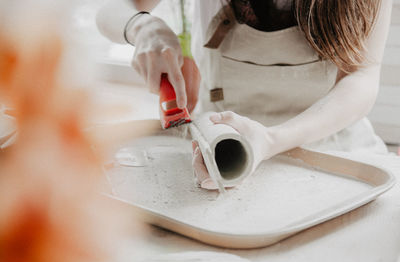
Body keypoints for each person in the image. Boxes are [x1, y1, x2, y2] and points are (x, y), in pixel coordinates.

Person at [96, 0, 392, 189]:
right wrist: (143, 25)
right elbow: (109, 9)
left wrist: (271, 140)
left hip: (336, 155)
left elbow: (362, 79)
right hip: (221, 156)